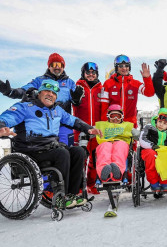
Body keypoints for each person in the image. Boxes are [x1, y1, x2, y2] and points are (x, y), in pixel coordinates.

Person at [0, 79, 101, 208]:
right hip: (30, 149)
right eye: (47, 91)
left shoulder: (57, 110)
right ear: (40, 92)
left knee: (78, 152)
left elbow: (73, 120)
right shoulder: (25, 107)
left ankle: (72, 194)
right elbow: (8, 117)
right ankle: (59, 196)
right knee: (62, 153)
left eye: (54, 93)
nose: (50, 94)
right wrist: (2, 126)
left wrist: (88, 128)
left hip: (50, 148)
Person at [0, 53, 84, 145]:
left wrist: (76, 99)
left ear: (63, 66)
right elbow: (24, 90)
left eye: (59, 65)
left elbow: (76, 103)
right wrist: (11, 92)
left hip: (63, 123)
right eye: (53, 64)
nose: (57, 67)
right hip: (44, 124)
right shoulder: (39, 81)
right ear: (49, 66)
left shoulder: (70, 83)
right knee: (49, 151)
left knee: (68, 151)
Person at [73, 62, 103, 194]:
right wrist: (75, 98)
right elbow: (73, 104)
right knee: (81, 158)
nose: (91, 75)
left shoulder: (101, 88)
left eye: (93, 73)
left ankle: (91, 184)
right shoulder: (77, 86)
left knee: (95, 159)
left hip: (97, 129)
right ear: (83, 74)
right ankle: (79, 186)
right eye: (88, 73)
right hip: (80, 128)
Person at [100, 54, 155, 126]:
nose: (124, 68)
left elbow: (150, 93)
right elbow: (104, 106)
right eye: (121, 66)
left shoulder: (135, 83)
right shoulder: (108, 83)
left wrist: (147, 78)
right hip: (113, 124)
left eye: (126, 66)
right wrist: (105, 124)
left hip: (130, 125)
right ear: (116, 67)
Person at [138, 108, 167, 192]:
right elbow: (142, 139)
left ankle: (165, 183)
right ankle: (154, 182)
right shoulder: (149, 127)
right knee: (151, 156)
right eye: (160, 122)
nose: (161, 125)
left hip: (164, 151)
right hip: (149, 149)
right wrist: (152, 146)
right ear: (157, 120)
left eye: (164, 123)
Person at [94, 104, 135, 182]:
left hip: (121, 143)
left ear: (122, 117)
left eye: (118, 116)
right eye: (113, 116)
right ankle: (104, 171)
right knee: (104, 148)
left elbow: (137, 134)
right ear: (108, 116)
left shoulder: (126, 126)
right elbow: (90, 130)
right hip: (105, 142)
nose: (115, 119)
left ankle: (117, 170)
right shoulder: (102, 125)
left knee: (119, 147)